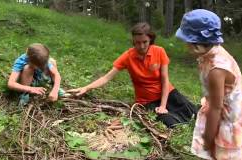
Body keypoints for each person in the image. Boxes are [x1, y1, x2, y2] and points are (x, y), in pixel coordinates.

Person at [175, 9, 242, 160]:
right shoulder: (213, 51)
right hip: (228, 112)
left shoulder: (217, 69)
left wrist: (209, 137)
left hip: (228, 118)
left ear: (196, 44)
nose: (185, 45)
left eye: (186, 41)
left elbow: (216, 108)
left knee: (210, 154)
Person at [67, 22, 197, 128]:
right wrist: (87, 87)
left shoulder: (159, 51)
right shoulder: (128, 56)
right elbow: (107, 77)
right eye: (137, 42)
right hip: (147, 100)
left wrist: (163, 106)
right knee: (172, 124)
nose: (141, 46)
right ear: (133, 41)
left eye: (144, 42)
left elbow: (164, 80)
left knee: (194, 114)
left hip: (167, 92)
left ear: (150, 39)